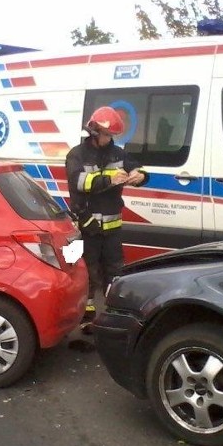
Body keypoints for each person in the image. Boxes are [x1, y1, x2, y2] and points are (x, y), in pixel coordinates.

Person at [65, 106, 148, 328]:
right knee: (87, 270)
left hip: (112, 227)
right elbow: (78, 183)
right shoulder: (76, 155)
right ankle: (86, 314)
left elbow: (138, 169)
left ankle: (114, 313)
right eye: (107, 135)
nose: (109, 139)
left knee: (115, 271)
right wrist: (109, 179)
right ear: (93, 132)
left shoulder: (117, 153)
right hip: (87, 223)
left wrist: (139, 175)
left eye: (112, 135)